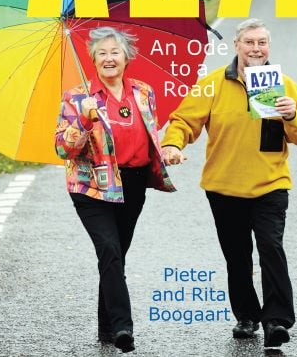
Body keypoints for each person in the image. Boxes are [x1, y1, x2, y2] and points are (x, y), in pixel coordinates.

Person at [161, 18, 297, 348]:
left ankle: (277, 320)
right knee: (237, 256)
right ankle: (247, 316)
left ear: (269, 47)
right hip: (224, 187)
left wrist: (291, 116)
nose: (256, 48)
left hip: (270, 185)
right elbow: (183, 120)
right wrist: (173, 143)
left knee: (271, 248)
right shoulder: (213, 83)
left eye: (262, 42)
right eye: (250, 42)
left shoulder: (283, 85)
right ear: (236, 46)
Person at [55, 26, 175, 353]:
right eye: (102, 53)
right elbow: (62, 149)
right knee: (108, 249)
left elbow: (150, 135)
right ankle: (123, 329)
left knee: (115, 256)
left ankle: (107, 328)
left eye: (115, 52)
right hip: (91, 186)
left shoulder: (143, 92)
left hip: (133, 184)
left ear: (126, 57)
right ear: (93, 59)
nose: (109, 58)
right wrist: (80, 129)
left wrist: (166, 152)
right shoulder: (78, 98)